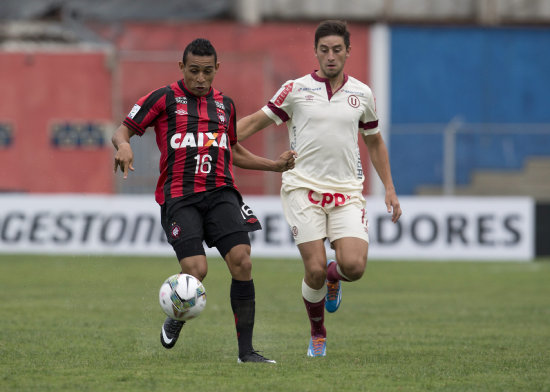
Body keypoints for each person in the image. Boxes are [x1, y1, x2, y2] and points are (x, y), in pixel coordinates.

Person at [112, 38, 295, 364]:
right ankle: (177, 315)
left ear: (216, 70)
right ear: (182, 67)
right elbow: (123, 130)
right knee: (196, 270)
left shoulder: (225, 105)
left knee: (242, 261)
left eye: (207, 72)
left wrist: (274, 165)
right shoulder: (164, 98)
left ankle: (246, 353)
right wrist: (123, 145)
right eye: (194, 71)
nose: (200, 78)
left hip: (221, 192)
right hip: (180, 197)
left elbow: (233, 151)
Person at [237, 20, 402, 357]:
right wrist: (218, 138)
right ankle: (317, 332)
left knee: (353, 267)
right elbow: (256, 120)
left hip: (346, 193)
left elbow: (374, 142)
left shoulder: (362, 94)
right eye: (324, 50)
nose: (330, 56)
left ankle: (334, 276)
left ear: (347, 52)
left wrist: (389, 187)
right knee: (312, 268)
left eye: (337, 50)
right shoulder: (294, 89)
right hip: (302, 189)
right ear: (315, 52)